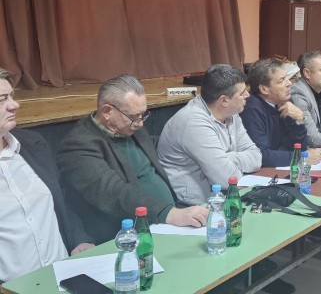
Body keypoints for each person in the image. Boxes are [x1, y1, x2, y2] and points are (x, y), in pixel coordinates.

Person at [57, 74, 209, 244]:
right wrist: (169, 213)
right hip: (129, 234)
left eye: (143, 115)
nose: (140, 123)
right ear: (107, 111)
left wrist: (193, 158)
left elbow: (156, 148)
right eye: (134, 117)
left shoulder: (130, 126)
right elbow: (114, 193)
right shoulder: (78, 145)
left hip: (168, 219)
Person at [0, 69, 94, 283]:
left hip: (64, 277)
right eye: (2, 99)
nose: (15, 105)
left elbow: (61, 202)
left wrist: (79, 240)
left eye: (12, 96)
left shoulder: (33, 144)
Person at [158, 64, 261, 205]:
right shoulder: (193, 122)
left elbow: (256, 158)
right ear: (224, 101)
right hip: (190, 206)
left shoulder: (231, 112)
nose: (247, 95)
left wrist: (227, 158)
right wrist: (229, 164)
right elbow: (227, 179)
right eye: (242, 92)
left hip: (222, 197)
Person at [240, 58, 321, 167]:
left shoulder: (284, 102)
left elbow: (297, 147)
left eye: (287, 78)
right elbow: (260, 156)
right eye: (281, 81)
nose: (289, 83)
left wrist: (299, 120)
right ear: (264, 89)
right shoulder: (251, 109)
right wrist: (301, 158)